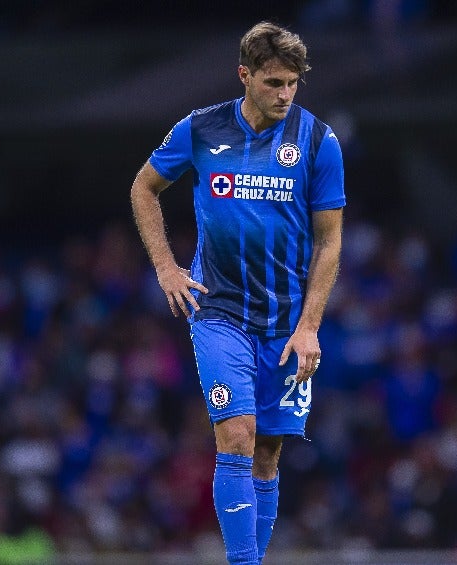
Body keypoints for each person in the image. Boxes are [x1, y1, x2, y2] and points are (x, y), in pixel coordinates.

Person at [130, 21, 345, 564]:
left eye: (293, 83)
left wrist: (310, 326)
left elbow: (329, 241)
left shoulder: (318, 141)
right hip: (218, 313)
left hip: (286, 322)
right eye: (274, 82)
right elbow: (144, 188)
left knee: (269, 454)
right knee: (237, 436)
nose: (285, 94)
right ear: (244, 75)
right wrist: (167, 269)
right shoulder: (201, 130)